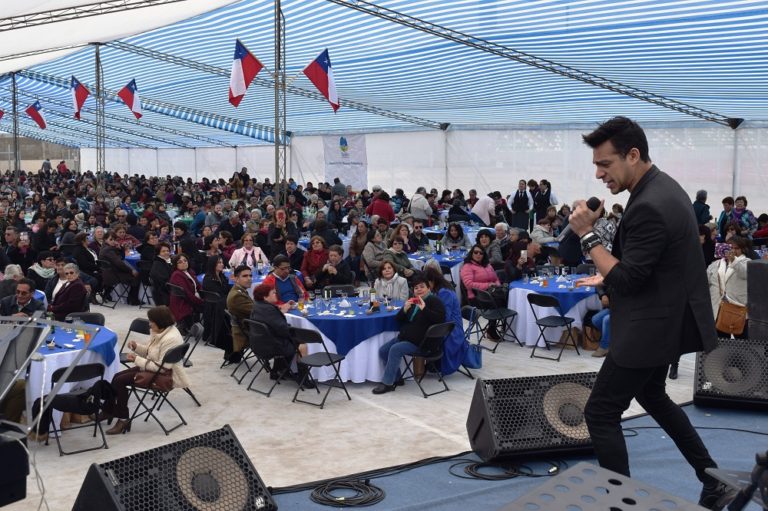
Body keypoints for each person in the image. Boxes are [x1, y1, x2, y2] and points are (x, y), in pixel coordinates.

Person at [570, 116, 730, 509]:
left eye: (605, 164)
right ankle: (713, 480)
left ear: (633, 155)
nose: (598, 174)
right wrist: (605, 275)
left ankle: (621, 504)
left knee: (601, 411)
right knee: (653, 396)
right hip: (666, 321)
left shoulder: (649, 205)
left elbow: (628, 279)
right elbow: (647, 265)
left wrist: (587, 236)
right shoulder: (664, 186)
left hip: (648, 328)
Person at [102, 306, 190, 435]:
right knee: (116, 377)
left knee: (119, 381)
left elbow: (162, 367)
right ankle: (108, 410)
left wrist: (136, 359)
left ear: (160, 321)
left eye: (151, 321)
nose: (149, 324)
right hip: (152, 367)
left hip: (163, 375)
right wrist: (136, 347)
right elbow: (150, 352)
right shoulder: (161, 331)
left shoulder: (170, 338)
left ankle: (123, 419)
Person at [372, 275, 446, 394]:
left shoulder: (434, 301)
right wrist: (405, 309)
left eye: (422, 287)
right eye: (416, 288)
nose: (419, 290)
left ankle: (387, 383)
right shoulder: (414, 301)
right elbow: (398, 319)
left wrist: (424, 309)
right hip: (407, 338)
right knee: (383, 350)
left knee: (395, 349)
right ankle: (397, 378)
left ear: (428, 288)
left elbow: (440, 320)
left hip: (423, 344)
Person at [249, 284, 312, 386]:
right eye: (273, 293)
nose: (276, 294)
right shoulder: (269, 310)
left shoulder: (257, 306)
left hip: (257, 344)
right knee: (302, 344)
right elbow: (283, 330)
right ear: (265, 297)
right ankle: (303, 379)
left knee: (290, 339)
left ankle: (279, 371)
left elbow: (272, 321)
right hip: (270, 347)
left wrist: (281, 311)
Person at [423, 264, 467, 376]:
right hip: (447, 325)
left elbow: (444, 317)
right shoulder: (440, 290)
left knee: (423, 333)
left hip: (451, 329)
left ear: (432, 281)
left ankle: (428, 363)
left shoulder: (444, 292)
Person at [706, 235, 749, 339]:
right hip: (718, 308)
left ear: (742, 249)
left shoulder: (747, 262)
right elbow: (705, 281)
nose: (733, 250)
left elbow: (745, 273)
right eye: (730, 247)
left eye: (736, 248)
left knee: (744, 342)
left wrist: (734, 260)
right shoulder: (715, 264)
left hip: (738, 309)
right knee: (722, 343)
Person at [460, 243, 503, 339]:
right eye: (476, 252)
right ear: (472, 253)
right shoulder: (467, 266)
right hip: (476, 297)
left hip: (490, 293)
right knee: (498, 301)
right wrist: (487, 285)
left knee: (504, 297)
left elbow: (495, 278)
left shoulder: (487, 265)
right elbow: (468, 284)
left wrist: (497, 286)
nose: (478, 255)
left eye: (481, 253)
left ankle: (498, 326)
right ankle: (492, 329)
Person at [201, 255, 234, 362]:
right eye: (219, 263)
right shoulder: (208, 279)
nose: (222, 264)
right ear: (213, 265)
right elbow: (221, 292)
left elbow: (225, 289)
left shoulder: (222, 275)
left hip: (221, 303)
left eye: (222, 262)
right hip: (213, 307)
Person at [100, 232, 141, 305]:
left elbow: (122, 258)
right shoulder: (108, 250)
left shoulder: (106, 247)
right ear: (105, 240)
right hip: (113, 275)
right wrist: (131, 270)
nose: (113, 241)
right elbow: (119, 263)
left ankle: (107, 294)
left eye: (114, 239)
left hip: (109, 273)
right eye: (111, 239)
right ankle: (133, 299)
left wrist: (120, 248)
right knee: (137, 277)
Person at [168, 254, 204, 332]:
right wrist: (201, 301)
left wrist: (202, 294)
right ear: (175, 265)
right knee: (211, 306)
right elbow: (188, 294)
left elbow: (197, 285)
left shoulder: (189, 271)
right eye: (180, 262)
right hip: (183, 303)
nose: (184, 263)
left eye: (185, 260)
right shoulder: (177, 275)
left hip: (189, 299)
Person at [226, 265, 255, 356]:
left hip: (247, 327)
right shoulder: (237, 296)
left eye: (250, 276)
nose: (249, 278)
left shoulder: (239, 291)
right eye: (245, 276)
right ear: (236, 279)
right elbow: (257, 311)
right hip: (246, 334)